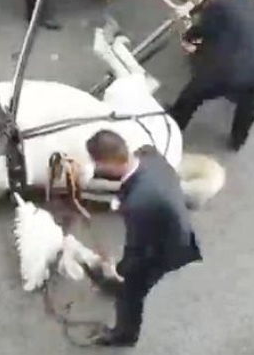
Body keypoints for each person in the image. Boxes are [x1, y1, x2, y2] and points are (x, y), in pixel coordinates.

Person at [86, 131, 202, 347]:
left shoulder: (139, 203)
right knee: (127, 274)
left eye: (97, 164)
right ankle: (116, 286)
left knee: (131, 292)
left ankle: (124, 336)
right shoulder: (149, 154)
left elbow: (137, 250)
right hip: (168, 224)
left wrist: (118, 271)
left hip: (165, 249)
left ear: (107, 163)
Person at [168, 0, 254, 151]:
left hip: (227, 73)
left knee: (191, 96)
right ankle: (238, 140)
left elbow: (200, 31)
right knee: (249, 107)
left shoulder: (219, 7)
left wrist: (186, 31)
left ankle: (173, 127)